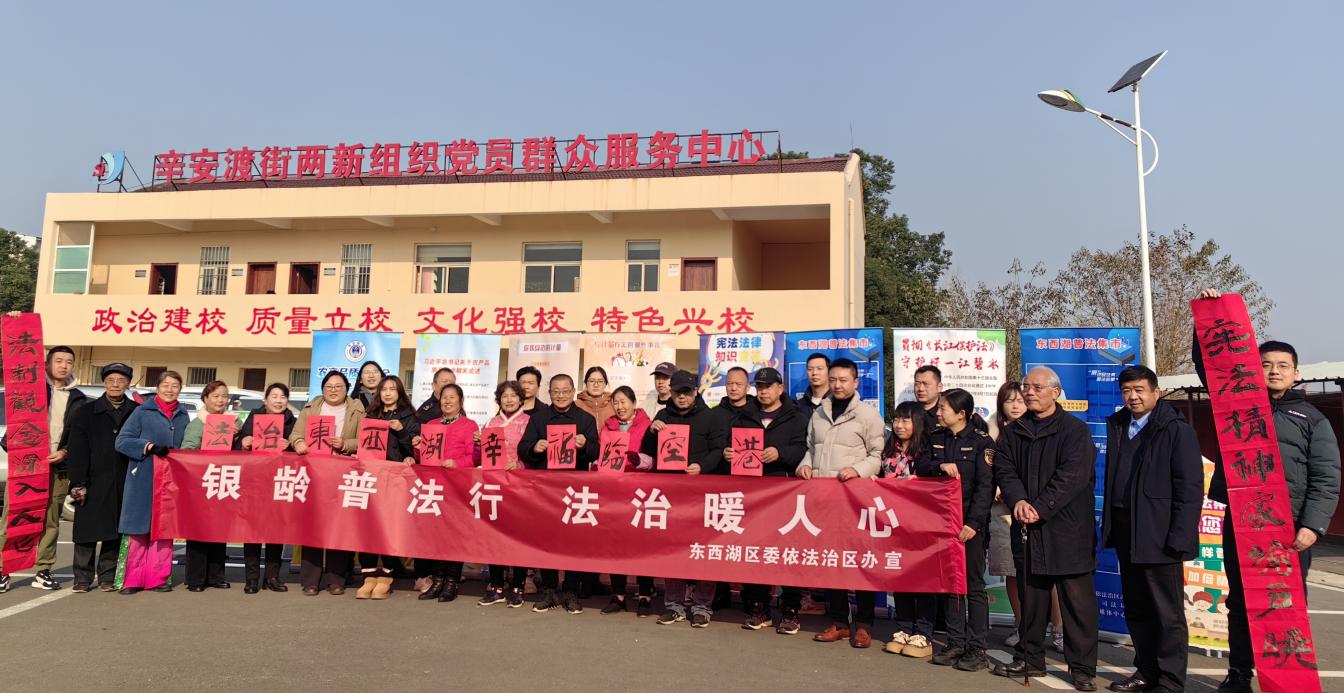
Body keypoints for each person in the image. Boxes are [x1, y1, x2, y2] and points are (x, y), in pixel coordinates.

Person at [1192, 290, 1340, 693]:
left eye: (1282, 366)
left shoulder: (1312, 419)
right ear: (1253, 368)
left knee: (1284, 604)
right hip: (1242, 524)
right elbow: (1210, 367)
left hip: (1289, 529)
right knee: (1240, 602)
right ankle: (1239, 674)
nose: (1274, 371)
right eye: (1266, 364)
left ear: (1296, 373)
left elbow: (1327, 477)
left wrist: (1312, 527)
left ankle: (1287, 680)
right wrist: (1206, 319)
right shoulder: (1236, 406)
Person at [990, 366, 1099, 692]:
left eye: (1037, 387)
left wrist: (1040, 506)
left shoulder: (1075, 431)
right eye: (1027, 387)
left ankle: (1082, 669)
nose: (1030, 392)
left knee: (1077, 606)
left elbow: (1073, 477)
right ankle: (1029, 657)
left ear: (1055, 392)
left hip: (1068, 530)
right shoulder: (1014, 431)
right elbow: (1004, 469)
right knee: (1032, 600)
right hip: (1027, 527)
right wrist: (1019, 501)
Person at [1099, 365, 1202, 693]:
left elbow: (1189, 488)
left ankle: (1170, 681)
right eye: (1127, 390)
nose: (1133, 396)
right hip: (1126, 531)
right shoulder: (1119, 425)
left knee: (1166, 613)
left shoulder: (1175, 430)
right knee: (1138, 608)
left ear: (1156, 392)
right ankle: (1145, 671)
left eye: (1140, 390)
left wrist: (1180, 537)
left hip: (1160, 535)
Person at [799, 358, 885, 649]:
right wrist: (804, 465)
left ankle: (864, 625)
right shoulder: (819, 413)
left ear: (856, 382)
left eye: (843, 380)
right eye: (833, 379)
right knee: (831, 561)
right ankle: (839, 622)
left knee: (860, 562)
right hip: (824, 499)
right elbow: (810, 449)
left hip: (855, 500)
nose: (837, 385)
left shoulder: (868, 415)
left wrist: (858, 470)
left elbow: (877, 455)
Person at [0, 344, 89, 592]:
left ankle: (43, 570)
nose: (63, 366)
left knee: (51, 521)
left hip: (57, 468)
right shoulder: (31, 390)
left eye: (68, 362)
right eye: (58, 361)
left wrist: (65, 452)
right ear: (47, 364)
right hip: (26, 467)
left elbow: (80, 437)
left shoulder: (79, 399)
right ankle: (3, 570)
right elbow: (12, 433)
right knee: (14, 518)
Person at [642, 370, 726, 628]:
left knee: (704, 550)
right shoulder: (662, 415)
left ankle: (702, 606)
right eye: (677, 392)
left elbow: (719, 449)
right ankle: (674, 605)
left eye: (686, 392)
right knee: (673, 549)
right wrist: (652, 431)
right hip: (671, 495)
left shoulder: (712, 417)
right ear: (671, 392)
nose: (681, 397)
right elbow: (646, 451)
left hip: (702, 493)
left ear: (695, 392)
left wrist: (703, 466)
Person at [728, 367, 808, 633]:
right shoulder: (744, 416)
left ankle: (791, 609)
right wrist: (728, 454)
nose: (763, 391)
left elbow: (804, 450)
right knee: (754, 550)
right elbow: (732, 446)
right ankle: (758, 606)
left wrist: (780, 453)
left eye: (768, 386)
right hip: (752, 494)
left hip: (785, 492)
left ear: (780, 388)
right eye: (759, 386)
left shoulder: (796, 417)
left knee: (787, 552)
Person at [919, 389, 995, 672]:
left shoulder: (981, 442)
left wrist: (973, 524)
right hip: (942, 524)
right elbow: (920, 465)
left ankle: (977, 648)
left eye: (943, 409)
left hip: (969, 527)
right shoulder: (935, 437)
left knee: (973, 586)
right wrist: (940, 465)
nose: (938, 413)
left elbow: (985, 487)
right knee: (950, 584)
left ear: (961, 414)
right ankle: (955, 643)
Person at [518, 374, 600, 614]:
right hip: (547, 489)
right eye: (556, 391)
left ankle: (571, 590)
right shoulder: (538, 418)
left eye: (565, 391)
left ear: (573, 391)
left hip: (575, 488)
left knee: (574, 541)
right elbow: (523, 448)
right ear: (549, 393)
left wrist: (584, 446)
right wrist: (535, 447)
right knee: (547, 539)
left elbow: (596, 451)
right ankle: (549, 589)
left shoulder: (585, 419)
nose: (561, 395)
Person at [289, 370, 366, 596]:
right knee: (312, 525)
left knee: (338, 527)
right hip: (314, 473)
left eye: (338, 386)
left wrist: (345, 444)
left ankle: (336, 579)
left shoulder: (357, 409)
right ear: (322, 389)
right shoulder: (311, 408)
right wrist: (299, 442)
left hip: (342, 473)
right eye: (329, 386)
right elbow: (295, 434)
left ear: (347, 389)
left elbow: (365, 440)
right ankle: (310, 581)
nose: (333, 390)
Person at [113, 370, 190, 594]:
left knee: (163, 529)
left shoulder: (183, 415)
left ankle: (158, 578)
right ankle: (131, 579)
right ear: (157, 388)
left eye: (174, 386)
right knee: (138, 529)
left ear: (180, 390)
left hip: (170, 481)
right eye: (165, 385)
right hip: (143, 477)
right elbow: (122, 441)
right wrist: (148, 447)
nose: (169, 390)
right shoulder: (142, 412)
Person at [65, 363, 136, 593]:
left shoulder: (136, 411)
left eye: (121, 380)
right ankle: (82, 578)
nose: (115, 385)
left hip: (124, 479)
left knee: (114, 530)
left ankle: (107, 576)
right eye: (111, 380)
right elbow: (77, 449)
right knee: (86, 530)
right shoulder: (85, 412)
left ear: (128, 384)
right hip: (92, 479)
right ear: (104, 383)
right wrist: (78, 482)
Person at [882, 400, 937, 658]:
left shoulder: (927, 450)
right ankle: (904, 628)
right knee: (901, 575)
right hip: (894, 524)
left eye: (906, 420)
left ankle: (924, 633)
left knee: (923, 578)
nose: (899, 425)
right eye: (896, 419)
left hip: (922, 525)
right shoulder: (888, 449)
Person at [357, 375, 420, 600]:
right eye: (384, 389)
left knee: (389, 526)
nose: (387, 393)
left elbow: (415, 452)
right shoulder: (371, 415)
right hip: (371, 477)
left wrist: (401, 430)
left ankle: (386, 575)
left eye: (392, 389)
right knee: (368, 526)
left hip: (395, 480)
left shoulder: (410, 417)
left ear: (400, 392)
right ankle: (368, 575)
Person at [232, 382, 296, 593]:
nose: (278, 401)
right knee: (252, 530)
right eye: (274, 396)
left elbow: (300, 450)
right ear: (265, 400)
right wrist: (244, 442)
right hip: (255, 482)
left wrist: (291, 446)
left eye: (283, 397)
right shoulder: (254, 417)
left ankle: (272, 577)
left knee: (275, 531)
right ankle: (251, 579)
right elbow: (238, 446)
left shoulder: (291, 421)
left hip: (279, 481)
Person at [417, 383, 476, 603]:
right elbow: (425, 457)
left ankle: (451, 582)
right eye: (444, 397)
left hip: (457, 487)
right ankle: (438, 580)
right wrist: (417, 447)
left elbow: (475, 456)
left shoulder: (469, 425)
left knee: (454, 535)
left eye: (452, 397)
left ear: (461, 401)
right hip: (435, 487)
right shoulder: (431, 425)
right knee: (437, 536)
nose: (447, 401)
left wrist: (457, 463)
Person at [600, 385, 655, 616]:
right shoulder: (608, 426)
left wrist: (638, 459)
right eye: (616, 402)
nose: (620, 406)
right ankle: (618, 595)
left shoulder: (647, 425)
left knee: (643, 545)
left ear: (634, 403)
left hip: (641, 491)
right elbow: (602, 454)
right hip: (614, 491)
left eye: (624, 402)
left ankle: (645, 595)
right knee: (616, 544)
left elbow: (653, 459)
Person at [477, 381, 531, 609]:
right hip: (495, 486)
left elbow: (533, 455)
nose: (509, 400)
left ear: (521, 399)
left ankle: (518, 586)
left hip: (519, 486)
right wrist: (478, 443)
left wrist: (519, 464)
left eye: (513, 395)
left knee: (518, 537)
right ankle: (497, 586)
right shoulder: (491, 423)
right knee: (494, 536)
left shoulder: (529, 422)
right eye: (504, 396)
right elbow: (482, 455)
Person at [180, 380, 234, 592]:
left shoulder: (232, 422)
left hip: (225, 481)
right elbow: (187, 450)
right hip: (201, 482)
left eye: (224, 396)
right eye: (215, 396)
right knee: (198, 531)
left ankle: (215, 576)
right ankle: (195, 579)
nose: (221, 400)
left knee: (219, 530)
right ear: (205, 399)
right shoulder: (198, 424)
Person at [794, 353, 830, 422]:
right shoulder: (798, 406)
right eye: (810, 369)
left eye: (820, 368)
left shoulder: (836, 402)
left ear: (829, 371)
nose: (814, 373)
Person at [913, 364, 943, 432]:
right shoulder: (909, 412)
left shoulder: (946, 414)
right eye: (917, 384)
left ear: (939, 387)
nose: (921, 389)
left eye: (926, 384)